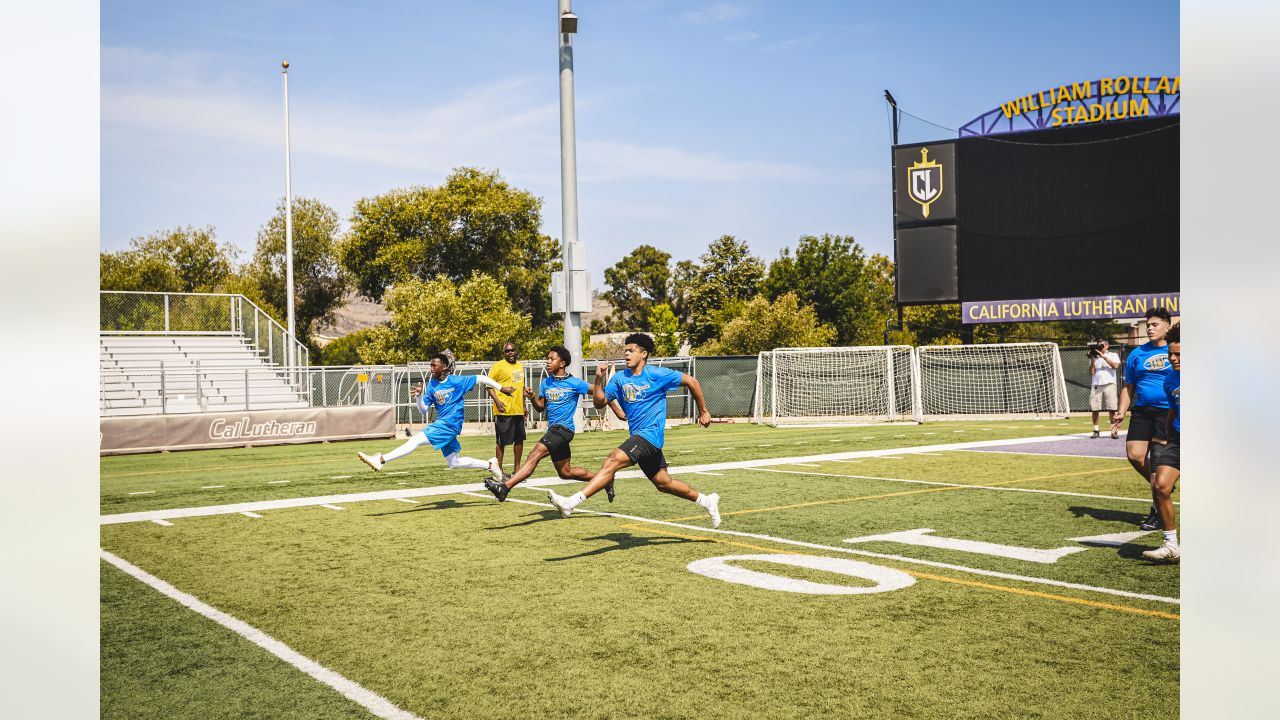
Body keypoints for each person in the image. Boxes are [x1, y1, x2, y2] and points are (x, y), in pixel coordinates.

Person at [545, 333, 721, 527]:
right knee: (664, 484)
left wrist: (703, 411)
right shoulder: (620, 378)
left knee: (611, 461)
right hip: (640, 437)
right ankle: (707, 500)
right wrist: (598, 380)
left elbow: (692, 382)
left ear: (643, 354)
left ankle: (571, 502)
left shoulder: (657, 374)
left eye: (631, 351)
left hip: (649, 435)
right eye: (625, 351)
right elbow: (600, 402)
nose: (626, 354)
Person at [483, 345, 627, 503]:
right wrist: (532, 397)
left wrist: (617, 410)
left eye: (552, 359)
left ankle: (504, 488)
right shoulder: (545, 383)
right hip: (554, 430)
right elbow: (540, 408)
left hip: (564, 429)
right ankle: (605, 480)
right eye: (548, 359)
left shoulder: (575, 383)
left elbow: (602, 393)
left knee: (534, 455)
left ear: (562, 363)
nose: (548, 362)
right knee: (565, 472)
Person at [357, 350, 513, 480]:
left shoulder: (457, 381)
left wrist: (501, 388)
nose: (431, 367)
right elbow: (423, 410)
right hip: (444, 424)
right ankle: (491, 465)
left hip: (449, 424)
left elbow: (481, 378)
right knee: (454, 462)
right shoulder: (432, 385)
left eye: (434, 365)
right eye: (430, 365)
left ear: (444, 367)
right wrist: (419, 396)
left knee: (416, 440)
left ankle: (381, 460)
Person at [1111, 307, 1175, 530]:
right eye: (1147, 325)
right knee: (1135, 456)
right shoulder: (1137, 354)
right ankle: (1161, 486)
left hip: (1167, 412)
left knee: (1157, 463)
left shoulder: (1176, 350)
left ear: (1168, 327)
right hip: (1142, 411)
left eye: (1154, 324)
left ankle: (1157, 509)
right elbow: (1129, 387)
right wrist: (1121, 411)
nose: (1149, 328)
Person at [1143, 325, 1181, 562]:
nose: (1173, 359)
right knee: (1161, 485)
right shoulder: (1169, 379)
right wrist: (1168, 434)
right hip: (1179, 439)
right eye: (1170, 354)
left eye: (1178, 355)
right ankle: (1171, 545)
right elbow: (1172, 410)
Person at [487, 342, 526, 474]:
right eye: (507, 351)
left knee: (519, 440)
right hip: (503, 410)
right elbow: (488, 386)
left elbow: (521, 387)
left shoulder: (520, 366)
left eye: (512, 350)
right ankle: (499, 470)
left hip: (518, 410)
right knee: (501, 442)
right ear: (503, 353)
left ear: (516, 351)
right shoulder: (498, 366)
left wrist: (524, 405)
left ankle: (517, 470)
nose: (510, 353)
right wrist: (497, 401)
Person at [1087, 339, 1121, 439]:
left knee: (1111, 408)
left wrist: (1104, 357)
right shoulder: (1094, 357)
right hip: (1096, 384)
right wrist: (1093, 358)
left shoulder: (1113, 355)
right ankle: (1096, 430)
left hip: (1109, 384)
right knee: (1095, 409)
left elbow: (1115, 366)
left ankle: (1114, 431)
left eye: (1101, 345)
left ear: (1107, 346)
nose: (1100, 347)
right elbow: (1092, 372)